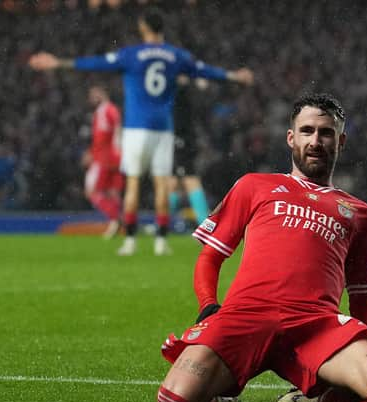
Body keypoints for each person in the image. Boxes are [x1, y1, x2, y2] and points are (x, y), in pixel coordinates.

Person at [157, 93, 367, 402]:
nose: (315, 141)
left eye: (326, 132)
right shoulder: (254, 186)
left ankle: (320, 395)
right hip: (246, 317)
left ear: (341, 140)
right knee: (174, 401)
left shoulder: (362, 214)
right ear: (291, 138)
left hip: (316, 325)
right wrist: (209, 307)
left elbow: (362, 297)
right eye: (307, 131)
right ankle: (223, 383)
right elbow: (211, 257)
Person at [28, 7, 254, 256]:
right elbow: (204, 70)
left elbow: (96, 63)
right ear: (162, 29)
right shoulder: (176, 55)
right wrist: (234, 76)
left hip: (136, 129)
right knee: (161, 186)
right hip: (164, 130)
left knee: (133, 185)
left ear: (144, 28)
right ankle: (160, 242)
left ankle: (131, 241)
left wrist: (58, 62)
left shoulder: (132, 55)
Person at [82, 85, 124, 239]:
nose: (91, 98)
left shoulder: (105, 110)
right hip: (114, 157)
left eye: (94, 94)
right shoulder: (110, 110)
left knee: (91, 191)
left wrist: (94, 153)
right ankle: (118, 222)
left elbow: (108, 133)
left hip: (104, 158)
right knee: (113, 192)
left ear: (102, 93)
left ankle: (116, 218)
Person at [169, 76, 210, 227]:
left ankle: (205, 225)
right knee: (173, 181)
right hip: (184, 138)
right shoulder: (188, 90)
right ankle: (162, 223)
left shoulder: (182, 90)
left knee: (189, 179)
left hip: (182, 139)